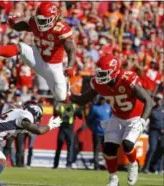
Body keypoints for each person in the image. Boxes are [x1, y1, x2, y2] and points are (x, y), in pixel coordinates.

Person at [70, 54, 154, 186]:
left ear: (114, 72)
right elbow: (82, 100)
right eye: (99, 73)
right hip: (117, 116)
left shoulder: (127, 79)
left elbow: (149, 101)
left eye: (103, 73)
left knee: (127, 145)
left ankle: (133, 164)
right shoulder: (99, 84)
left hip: (135, 116)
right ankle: (113, 180)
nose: (100, 77)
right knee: (108, 149)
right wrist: (67, 96)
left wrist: (142, 120)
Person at [0, 2, 75, 103]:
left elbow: (71, 49)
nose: (41, 23)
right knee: (21, 47)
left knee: (61, 97)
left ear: (55, 18)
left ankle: (66, 87)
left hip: (54, 67)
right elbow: (23, 26)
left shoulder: (62, 29)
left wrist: (70, 66)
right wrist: (13, 24)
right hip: (38, 59)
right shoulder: (35, 22)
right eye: (39, 20)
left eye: (44, 21)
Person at [53, 102, 81, 169]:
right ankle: (64, 164)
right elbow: (80, 116)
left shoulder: (62, 106)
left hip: (66, 130)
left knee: (66, 148)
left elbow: (80, 116)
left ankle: (64, 164)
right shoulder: (73, 107)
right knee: (65, 148)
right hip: (65, 130)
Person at [87, 95, 111, 170]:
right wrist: (93, 129)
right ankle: (96, 166)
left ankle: (108, 165)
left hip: (106, 133)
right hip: (97, 132)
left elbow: (111, 117)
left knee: (107, 150)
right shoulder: (94, 108)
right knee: (96, 149)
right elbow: (89, 120)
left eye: (104, 99)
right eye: (101, 99)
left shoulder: (109, 107)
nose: (103, 101)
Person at [142, 93, 164, 173]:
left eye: (160, 99)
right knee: (152, 148)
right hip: (153, 131)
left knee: (162, 149)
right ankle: (146, 167)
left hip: (162, 132)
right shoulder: (151, 109)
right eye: (157, 99)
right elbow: (145, 118)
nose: (158, 101)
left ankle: (159, 168)